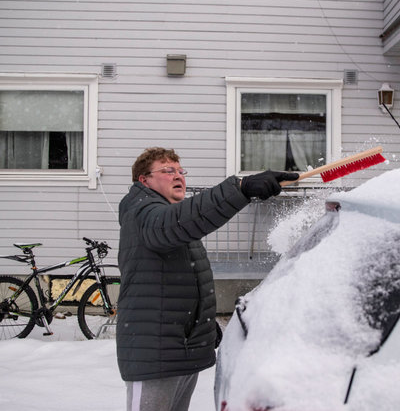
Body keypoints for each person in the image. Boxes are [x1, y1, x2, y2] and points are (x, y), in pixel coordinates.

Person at [116, 147, 299, 411]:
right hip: (153, 354)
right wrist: (241, 188)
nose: (178, 176)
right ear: (144, 180)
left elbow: (182, 280)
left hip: (178, 346)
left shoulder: (169, 216)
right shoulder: (143, 212)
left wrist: (200, 323)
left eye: (181, 171)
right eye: (168, 171)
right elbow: (178, 220)